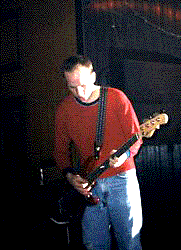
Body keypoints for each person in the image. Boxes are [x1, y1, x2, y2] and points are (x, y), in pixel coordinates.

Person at [54, 55, 143, 250]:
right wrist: (70, 177)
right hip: (88, 184)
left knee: (129, 242)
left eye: (83, 85)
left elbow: (137, 138)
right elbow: (60, 153)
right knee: (94, 245)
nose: (80, 93)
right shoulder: (64, 110)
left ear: (93, 76)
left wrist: (124, 156)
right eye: (72, 87)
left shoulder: (116, 98)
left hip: (122, 178)